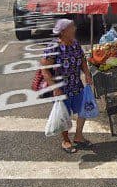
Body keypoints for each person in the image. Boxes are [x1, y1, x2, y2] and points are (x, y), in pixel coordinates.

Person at [40, 19, 94, 153]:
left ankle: (78, 136)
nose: (75, 29)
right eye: (72, 27)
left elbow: (82, 60)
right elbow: (45, 69)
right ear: (63, 32)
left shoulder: (75, 44)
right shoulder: (53, 47)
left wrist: (87, 74)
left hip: (76, 85)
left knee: (83, 109)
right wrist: (54, 87)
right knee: (64, 115)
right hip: (61, 88)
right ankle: (65, 140)